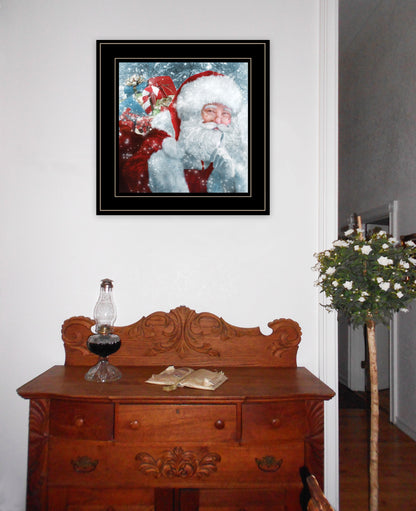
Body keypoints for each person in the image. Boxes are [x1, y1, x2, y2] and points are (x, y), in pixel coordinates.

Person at [120, 71, 248, 194]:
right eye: (210, 111)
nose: (218, 120)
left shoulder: (235, 151)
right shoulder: (163, 138)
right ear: (193, 113)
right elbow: (134, 174)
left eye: (225, 113)